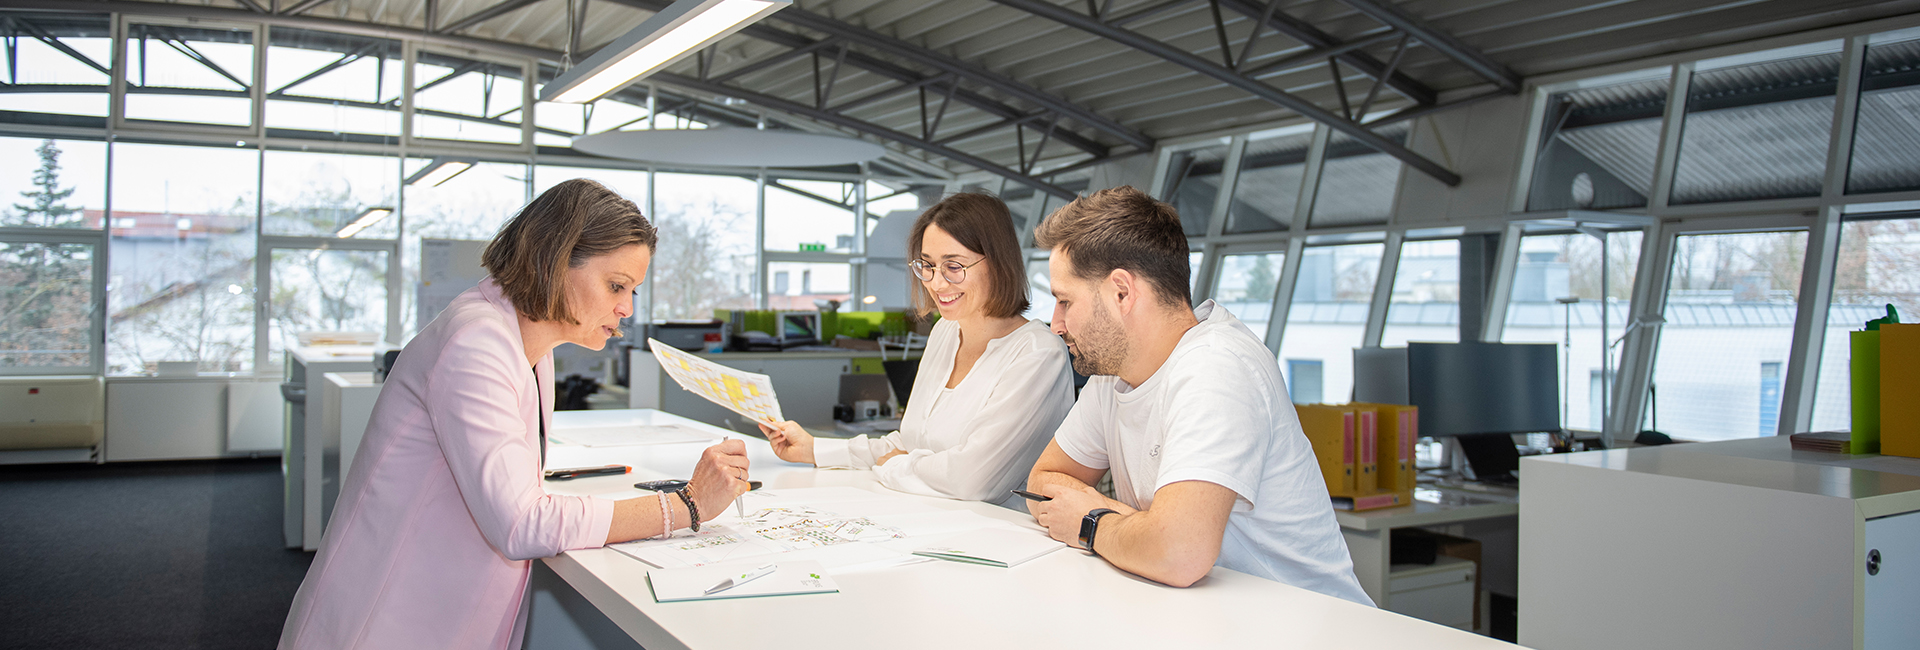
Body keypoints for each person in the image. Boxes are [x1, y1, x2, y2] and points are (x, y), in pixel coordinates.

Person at [278, 180, 753, 649]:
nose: (626, 308)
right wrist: (686, 504)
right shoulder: (476, 342)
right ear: (555, 261)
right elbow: (520, 523)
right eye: (616, 285)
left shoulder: (531, 346)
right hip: (385, 622)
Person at [1022, 186, 1372, 604]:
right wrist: (1142, 531)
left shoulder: (1218, 368)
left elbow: (1177, 554)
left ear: (1121, 292)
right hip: (1207, 615)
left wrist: (1091, 521)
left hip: (1304, 627)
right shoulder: (1111, 374)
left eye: (1064, 301)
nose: (1055, 325)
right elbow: (1043, 481)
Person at [758, 193, 1074, 509]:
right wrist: (814, 450)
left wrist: (895, 465)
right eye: (927, 265)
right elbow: (908, 444)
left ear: (998, 262)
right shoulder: (946, 333)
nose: (937, 283)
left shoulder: (1038, 353)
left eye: (953, 266)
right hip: (929, 519)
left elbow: (973, 480)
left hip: (1001, 539)